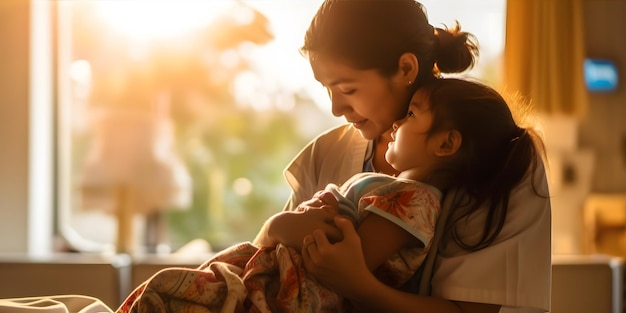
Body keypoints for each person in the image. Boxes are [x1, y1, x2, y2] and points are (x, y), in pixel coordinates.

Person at [253, 1, 551, 313]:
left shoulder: (500, 155)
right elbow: (264, 266)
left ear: (406, 68)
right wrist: (275, 228)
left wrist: (361, 287)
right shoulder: (326, 153)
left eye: (348, 89)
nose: (336, 109)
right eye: (328, 89)